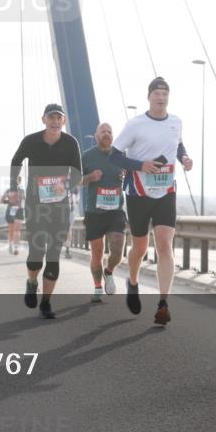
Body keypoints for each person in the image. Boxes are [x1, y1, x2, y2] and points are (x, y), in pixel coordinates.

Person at [110, 77, 193, 325]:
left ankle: (163, 304)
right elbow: (114, 156)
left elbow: (178, 145)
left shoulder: (176, 122)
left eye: (165, 94)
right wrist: (140, 165)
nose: (161, 98)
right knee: (140, 248)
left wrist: (184, 158)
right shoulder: (135, 124)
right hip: (138, 193)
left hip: (166, 191)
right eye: (157, 94)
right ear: (149, 97)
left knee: (165, 245)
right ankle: (133, 281)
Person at [9, 104, 82, 319]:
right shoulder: (31, 141)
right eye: (51, 117)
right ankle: (32, 282)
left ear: (64, 121)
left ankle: (46, 303)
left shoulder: (71, 143)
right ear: (44, 119)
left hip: (60, 207)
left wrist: (65, 184)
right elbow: (16, 161)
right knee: (36, 252)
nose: (55, 121)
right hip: (35, 205)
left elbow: (78, 174)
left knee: (53, 255)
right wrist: (14, 187)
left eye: (59, 118)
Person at [80, 123, 126, 302]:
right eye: (103, 132)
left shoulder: (121, 156)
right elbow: (74, 180)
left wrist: (127, 176)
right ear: (96, 135)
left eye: (109, 132)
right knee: (97, 253)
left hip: (116, 211)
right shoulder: (87, 156)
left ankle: (109, 271)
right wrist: (90, 177)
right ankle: (98, 287)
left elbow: (134, 177)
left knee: (118, 248)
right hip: (95, 212)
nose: (106, 134)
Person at [1, 176, 25, 255]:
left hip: (15, 210)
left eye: (17, 181)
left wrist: (9, 201)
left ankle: (13, 246)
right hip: (15, 210)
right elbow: (2, 200)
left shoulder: (15, 190)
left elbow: (2, 200)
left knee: (14, 230)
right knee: (14, 230)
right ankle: (13, 245)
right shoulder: (18, 191)